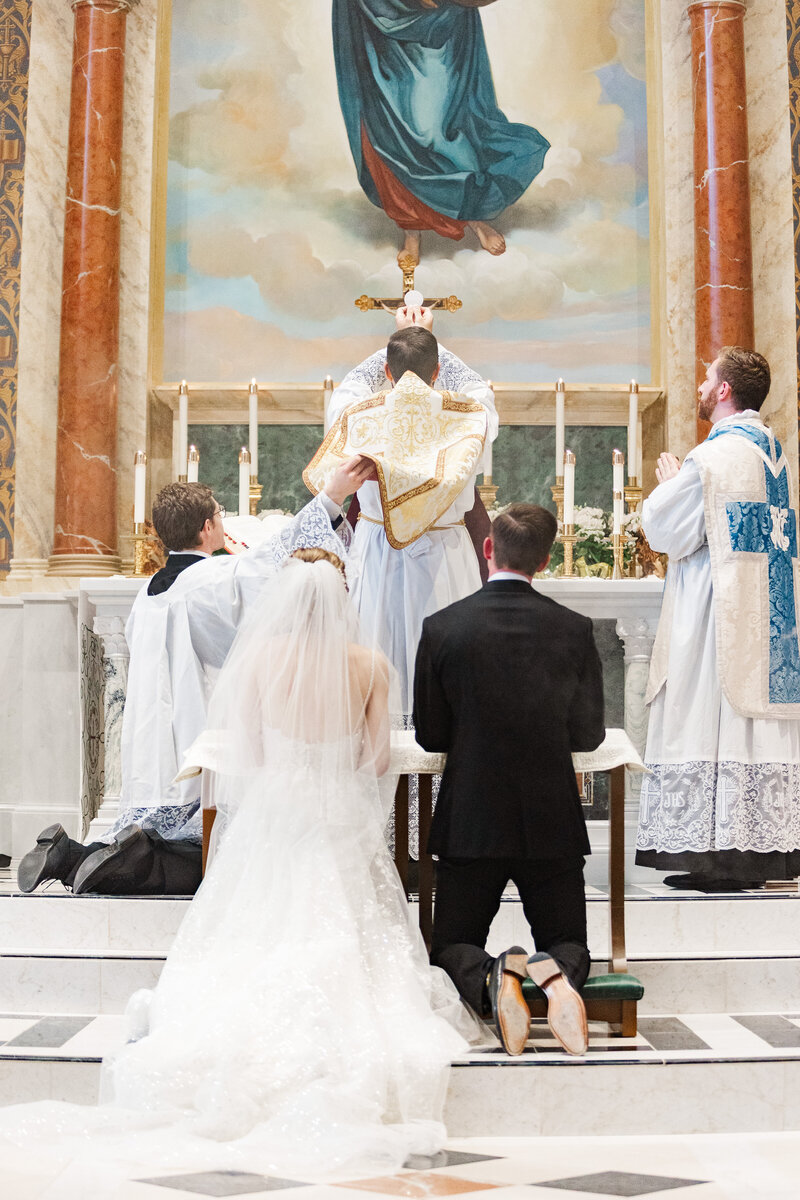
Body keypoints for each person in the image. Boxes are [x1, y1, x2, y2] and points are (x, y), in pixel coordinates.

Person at [84, 549, 478, 1178]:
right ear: (340, 603)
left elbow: (251, 748)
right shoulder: (369, 666)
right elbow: (378, 761)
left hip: (276, 809)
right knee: (345, 918)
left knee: (255, 917)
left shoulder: (263, 660)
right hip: (337, 813)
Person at [17, 463, 371, 897]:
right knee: (213, 855)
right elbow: (282, 565)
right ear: (207, 527)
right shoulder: (210, 579)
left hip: (150, 740)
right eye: (220, 515)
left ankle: (72, 854)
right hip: (194, 733)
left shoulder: (151, 591)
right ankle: (102, 859)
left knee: (179, 837)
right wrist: (331, 500)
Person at [413, 504, 605, 1055]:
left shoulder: (443, 627)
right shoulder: (573, 629)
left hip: (471, 820)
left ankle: (496, 977)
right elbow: (588, 735)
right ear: (544, 560)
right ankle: (553, 974)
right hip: (551, 821)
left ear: (488, 549)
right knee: (570, 942)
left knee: (451, 945)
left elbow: (431, 734)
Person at [636, 347, 800, 891]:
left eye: (708, 377)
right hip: (767, 612)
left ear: (725, 390)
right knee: (748, 726)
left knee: (707, 708)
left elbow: (665, 530)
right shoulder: (772, 452)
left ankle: (717, 853)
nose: (702, 385)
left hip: (717, 611)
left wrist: (666, 485)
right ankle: (756, 850)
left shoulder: (713, 458)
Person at [318, 321, 498, 714]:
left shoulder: (359, 415)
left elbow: (346, 389)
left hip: (378, 552)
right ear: (437, 371)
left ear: (386, 372)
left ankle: (384, 761)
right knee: (446, 670)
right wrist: (428, 338)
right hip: (444, 557)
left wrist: (402, 336)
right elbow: (481, 391)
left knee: (377, 660)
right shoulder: (465, 416)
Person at [332, 0, 550, 262]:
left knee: (447, 119)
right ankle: (411, 230)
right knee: (390, 123)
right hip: (382, 12)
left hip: (445, 15)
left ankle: (474, 216)